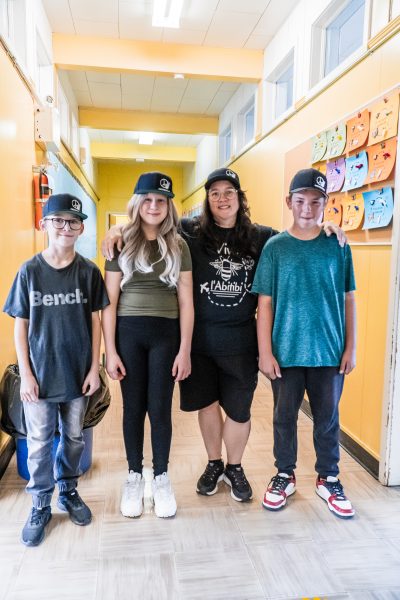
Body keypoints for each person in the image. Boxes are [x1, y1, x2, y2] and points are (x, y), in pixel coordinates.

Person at [102, 167, 345, 504]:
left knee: (239, 411)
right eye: (214, 193)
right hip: (200, 342)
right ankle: (215, 463)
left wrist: (328, 227)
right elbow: (151, 220)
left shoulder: (262, 237)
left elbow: (300, 233)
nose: (222, 199)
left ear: (239, 198)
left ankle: (236, 466)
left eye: (229, 192)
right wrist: (116, 229)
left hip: (241, 341)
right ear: (207, 200)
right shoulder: (189, 232)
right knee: (207, 405)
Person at [3, 193, 109, 547]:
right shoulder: (29, 271)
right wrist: (27, 376)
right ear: (44, 223)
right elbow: (20, 325)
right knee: (37, 444)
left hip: (78, 375)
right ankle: (39, 505)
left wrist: (95, 368)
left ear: (81, 229)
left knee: (75, 438)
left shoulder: (89, 272)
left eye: (73, 222)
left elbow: (96, 323)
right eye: (59, 220)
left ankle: (69, 491)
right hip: (41, 378)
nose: (66, 227)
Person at [252, 168, 356, 519]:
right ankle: (284, 473)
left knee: (327, 418)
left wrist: (351, 346)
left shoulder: (338, 245)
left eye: (316, 202)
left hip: (328, 351)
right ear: (289, 203)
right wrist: (264, 352)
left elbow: (348, 298)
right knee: (284, 417)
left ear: (327, 204)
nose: (308, 209)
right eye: (300, 201)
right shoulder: (275, 248)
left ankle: (328, 477)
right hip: (285, 351)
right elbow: (264, 303)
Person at [102, 171, 193, 519]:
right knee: (132, 408)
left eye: (161, 200)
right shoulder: (119, 240)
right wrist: (110, 351)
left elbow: (186, 301)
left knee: (159, 409)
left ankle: (162, 476)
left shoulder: (179, 245)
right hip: (128, 332)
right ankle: (134, 476)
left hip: (166, 334)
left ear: (169, 206)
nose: (154, 206)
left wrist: (184, 349)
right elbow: (108, 301)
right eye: (148, 199)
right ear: (137, 203)